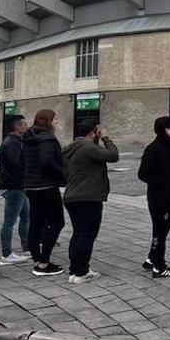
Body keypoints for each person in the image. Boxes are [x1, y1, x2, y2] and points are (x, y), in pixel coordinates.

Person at [62, 118, 120, 283]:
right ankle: (81, 272)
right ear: (94, 133)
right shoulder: (88, 147)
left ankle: (75, 271)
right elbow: (113, 155)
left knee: (78, 234)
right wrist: (106, 138)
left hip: (72, 195)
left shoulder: (71, 148)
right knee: (87, 235)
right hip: (87, 197)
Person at [137, 117, 170, 277]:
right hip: (158, 196)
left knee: (164, 226)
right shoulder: (153, 148)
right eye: (168, 128)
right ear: (161, 129)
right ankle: (159, 266)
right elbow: (143, 173)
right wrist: (162, 183)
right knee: (160, 229)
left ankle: (152, 257)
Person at [22, 109, 66, 276]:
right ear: (48, 121)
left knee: (36, 221)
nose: (56, 123)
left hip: (30, 186)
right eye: (55, 120)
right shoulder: (47, 138)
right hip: (46, 185)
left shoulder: (29, 137)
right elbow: (47, 162)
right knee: (57, 222)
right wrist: (62, 174)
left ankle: (37, 257)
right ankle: (43, 262)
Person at [0, 115, 32, 265]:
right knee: (9, 222)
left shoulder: (18, 141)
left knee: (26, 217)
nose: (26, 126)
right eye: (23, 124)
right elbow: (16, 164)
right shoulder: (11, 143)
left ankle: (26, 248)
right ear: (16, 126)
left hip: (19, 186)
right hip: (13, 186)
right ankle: (6, 254)